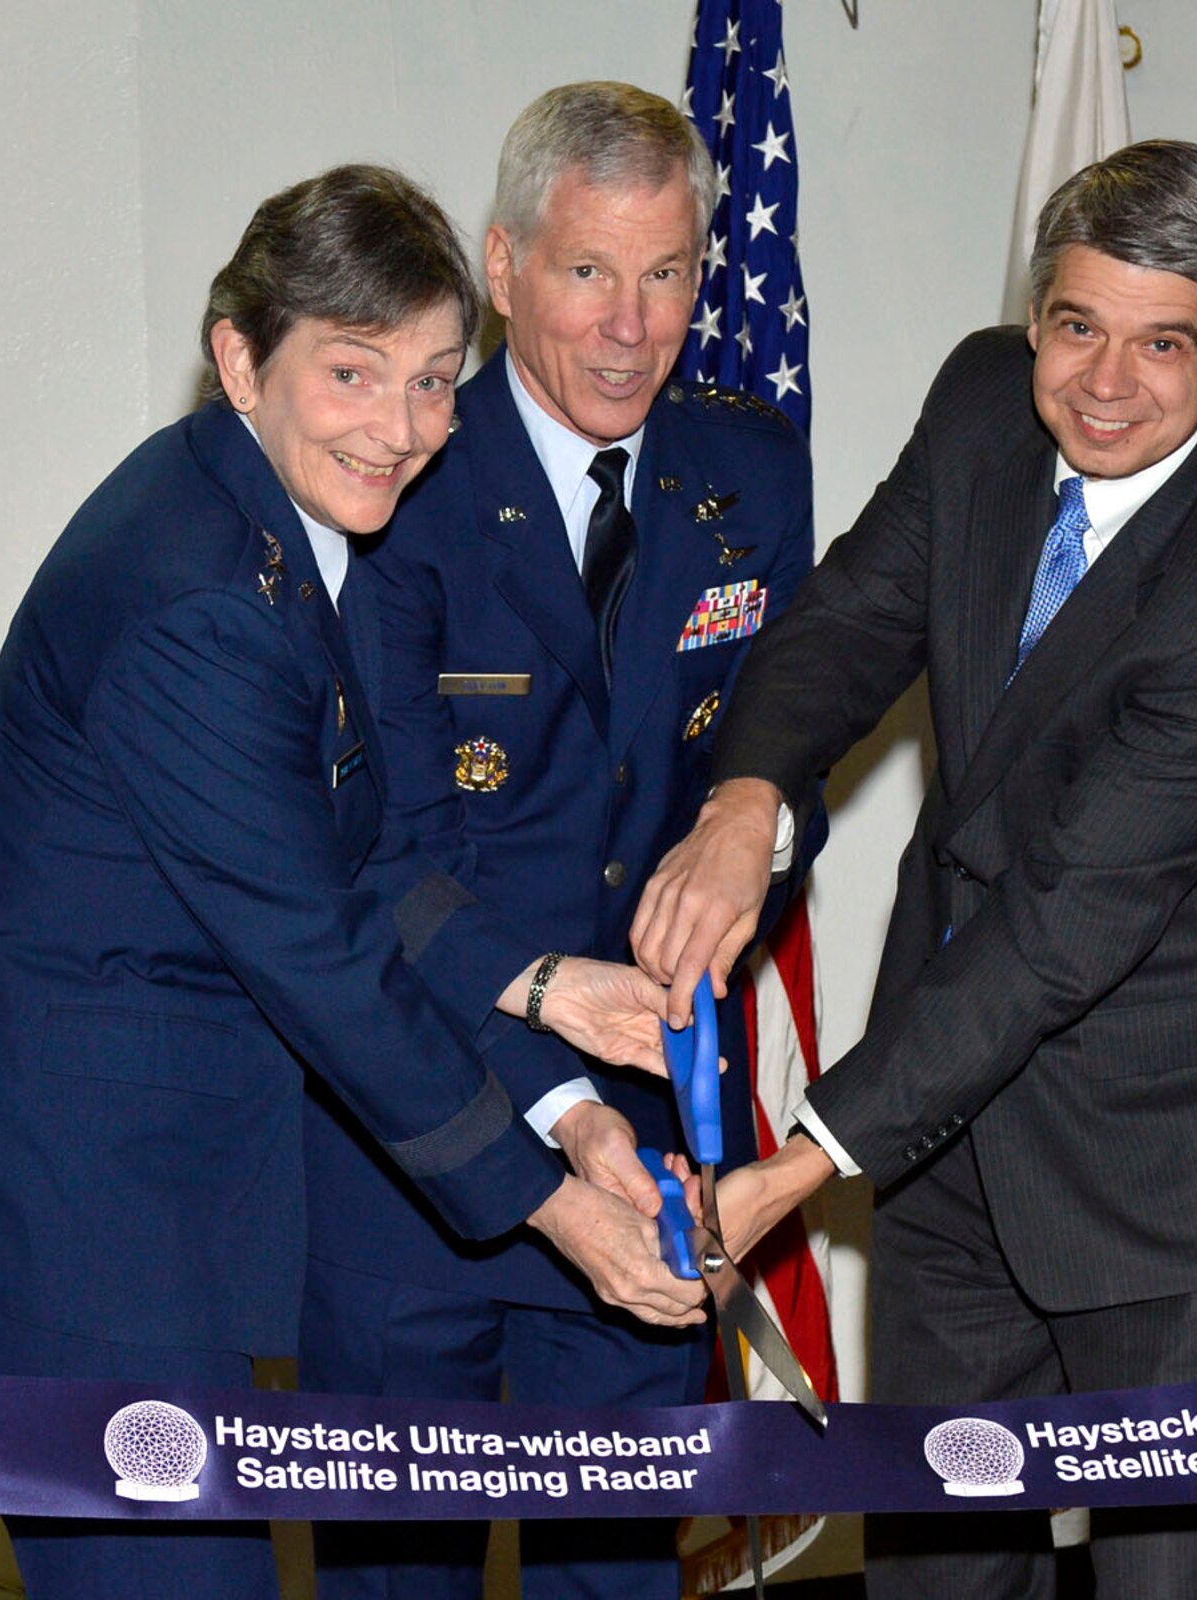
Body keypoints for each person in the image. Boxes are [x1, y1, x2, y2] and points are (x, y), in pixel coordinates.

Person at [0, 164, 705, 1600]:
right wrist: (558, 1206)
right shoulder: (198, 592)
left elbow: (375, 855)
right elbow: (315, 953)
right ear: (238, 357)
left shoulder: (307, 535)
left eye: (439, 381)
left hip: (159, 1193)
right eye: (353, 373)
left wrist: (552, 1013)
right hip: (83, 1213)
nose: (402, 430)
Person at [632, 140, 1197, 1599]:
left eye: (1164, 344)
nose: (1104, 381)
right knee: (942, 1571)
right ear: (1036, 314)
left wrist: (793, 1171)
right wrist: (749, 798)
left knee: (1175, 1588)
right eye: (1077, 325)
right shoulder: (981, 405)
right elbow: (844, 621)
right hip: (954, 1144)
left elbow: (1060, 931)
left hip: (1171, 1175)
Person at [300, 83, 817, 1600]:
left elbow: (784, 754)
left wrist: (761, 824)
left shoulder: (752, 473)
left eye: (667, 276)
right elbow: (380, 863)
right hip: (415, 1137)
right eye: (588, 272)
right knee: (398, 1579)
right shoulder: (398, 480)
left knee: (620, 1577)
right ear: (504, 265)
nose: (628, 327)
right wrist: (563, 1113)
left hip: (653, 1140)